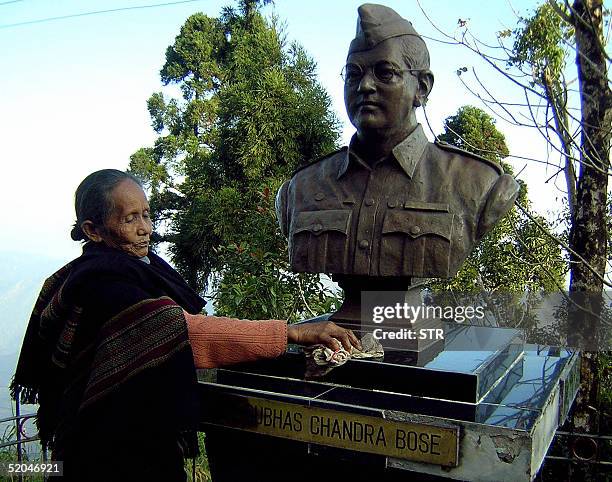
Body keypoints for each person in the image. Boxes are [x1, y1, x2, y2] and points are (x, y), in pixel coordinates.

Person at [11, 169, 359, 482]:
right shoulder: (106, 284)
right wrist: (291, 332)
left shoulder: (126, 269)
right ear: (93, 230)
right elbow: (185, 330)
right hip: (111, 450)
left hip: (115, 436)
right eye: (130, 218)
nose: (145, 228)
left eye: (146, 215)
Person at [276, 4, 520, 281]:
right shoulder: (303, 188)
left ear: (422, 88)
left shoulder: (478, 183)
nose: (364, 86)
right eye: (353, 74)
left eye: (385, 72)